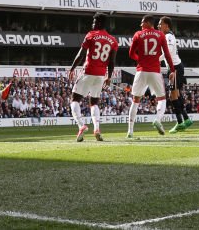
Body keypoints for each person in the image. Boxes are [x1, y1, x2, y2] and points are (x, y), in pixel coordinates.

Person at [67, 13, 118, 142]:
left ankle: (81, 126)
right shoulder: (113, 40)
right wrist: (109, 77)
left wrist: (72, 68)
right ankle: (97, 128)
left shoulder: (91, 35)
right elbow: (112, 62)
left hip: (88, 71)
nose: (92, 24)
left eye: (94, 22)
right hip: (101, 75)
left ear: (99, 23)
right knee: (94, 102)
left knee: (75, 99)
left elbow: (81, 54)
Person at [127, 15, 175, 138]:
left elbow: (131, 54)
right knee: (162, 99)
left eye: (142, 23)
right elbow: (167, 55)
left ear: (148, 23)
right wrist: (172, 70)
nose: (141, 25)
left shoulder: (138, 34)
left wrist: (141, 59)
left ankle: (130, 131)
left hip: (141, 71)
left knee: (135, 100)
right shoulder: (161, 35)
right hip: (155, 71)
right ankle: (158, 120)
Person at [159, 16, 191, 133]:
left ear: (166, 25)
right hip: (174, 67)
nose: (158, 26)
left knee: (173, 96)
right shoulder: (167, 36)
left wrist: (156, 59)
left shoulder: (169, 36)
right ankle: (186, 119)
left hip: (175, 68)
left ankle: (180, 122)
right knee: (176, 95)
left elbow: (169, 52)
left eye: (160, 24)